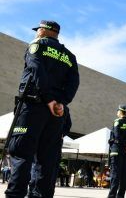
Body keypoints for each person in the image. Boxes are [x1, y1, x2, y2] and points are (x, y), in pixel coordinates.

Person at [5, 20, 79, 198]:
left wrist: (48, 99)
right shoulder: (69, 56)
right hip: (56, 113)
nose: (36, 32)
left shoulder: (37, 45)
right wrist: (61, 102)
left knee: (22, 152)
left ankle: (15, 195)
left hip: (34, 106)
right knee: (47, 159)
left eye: (37, 29)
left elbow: (36, 70)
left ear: (42, 31)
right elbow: (74, 82)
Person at [108, 104, 126, 198]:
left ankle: (111, 196)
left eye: (118, 110)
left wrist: (125, 145)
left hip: (117, 150)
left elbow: (117, 136)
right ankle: (120, 196)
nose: (117, 112)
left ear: (121, 112)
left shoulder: (117, 121)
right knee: (124, 175)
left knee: (115, 175)